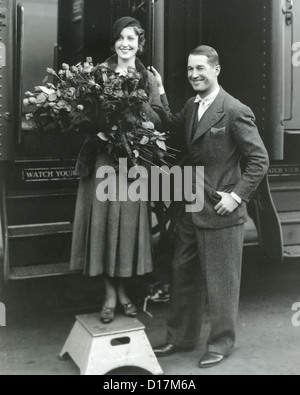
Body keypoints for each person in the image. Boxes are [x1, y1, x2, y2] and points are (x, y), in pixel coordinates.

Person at [151, 45, 269, 368]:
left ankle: (221, 343)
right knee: (183, 273)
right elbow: (169, 125)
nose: (194, 75)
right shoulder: (192, 106)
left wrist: (237, 196)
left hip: (221, 210)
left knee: (221, 282)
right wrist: (158, 90)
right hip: (192, 205)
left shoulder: (233, 110)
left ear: (216, 70)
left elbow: (260, 160)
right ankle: (181, 337)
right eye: (190, 69)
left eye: (200, 68)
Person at [70, 17, 166, 324]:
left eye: (132, 38)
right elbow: (83, 118)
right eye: (121, 38)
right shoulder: (98, 73)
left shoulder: (148, 77)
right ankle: (110, 295)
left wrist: (145, 99)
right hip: (103, 163)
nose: (126, 43)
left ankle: (123, 291)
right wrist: (102, 122)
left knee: (124, 232)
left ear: (140, 43)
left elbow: (162, 120)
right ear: (114, 42)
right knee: (104, 228)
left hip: (132, 165)